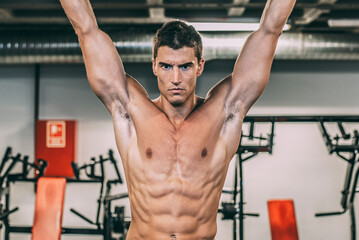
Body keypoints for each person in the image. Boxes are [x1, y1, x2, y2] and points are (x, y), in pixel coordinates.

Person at [60, 0, 296, 239]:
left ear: (199, 66)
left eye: (185, 66)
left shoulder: (224, 112)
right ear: (153, 66)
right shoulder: (131, 111)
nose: (175, 78)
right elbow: (86, 29)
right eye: (165, 66)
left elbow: (270, 29)